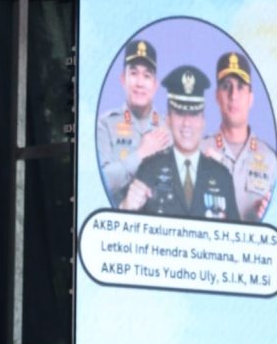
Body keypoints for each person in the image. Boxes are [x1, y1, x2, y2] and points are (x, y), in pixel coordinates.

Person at [120, 65, 238, 220]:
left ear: (203, 121)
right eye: (180, 113)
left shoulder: (222, 176)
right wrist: (126, 207)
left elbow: (237, 233)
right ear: (168, 119)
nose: (187, 123)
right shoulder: (149, 169)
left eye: (194, 114)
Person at [201, 51, 277, 222]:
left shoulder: (271, 160)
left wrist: (268, 216)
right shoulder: (200, 152)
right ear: (217, 96)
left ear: (251, 98)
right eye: (226, 86)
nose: (233, 95)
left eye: (241, 87)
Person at [98, 38, 171, 205]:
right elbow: (101, 181)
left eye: (147, 76)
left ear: (155, 85)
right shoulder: (106, 125)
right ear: (123, 79)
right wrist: (140, 154)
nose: (139, 83)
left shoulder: (169, 130)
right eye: (133, 73)